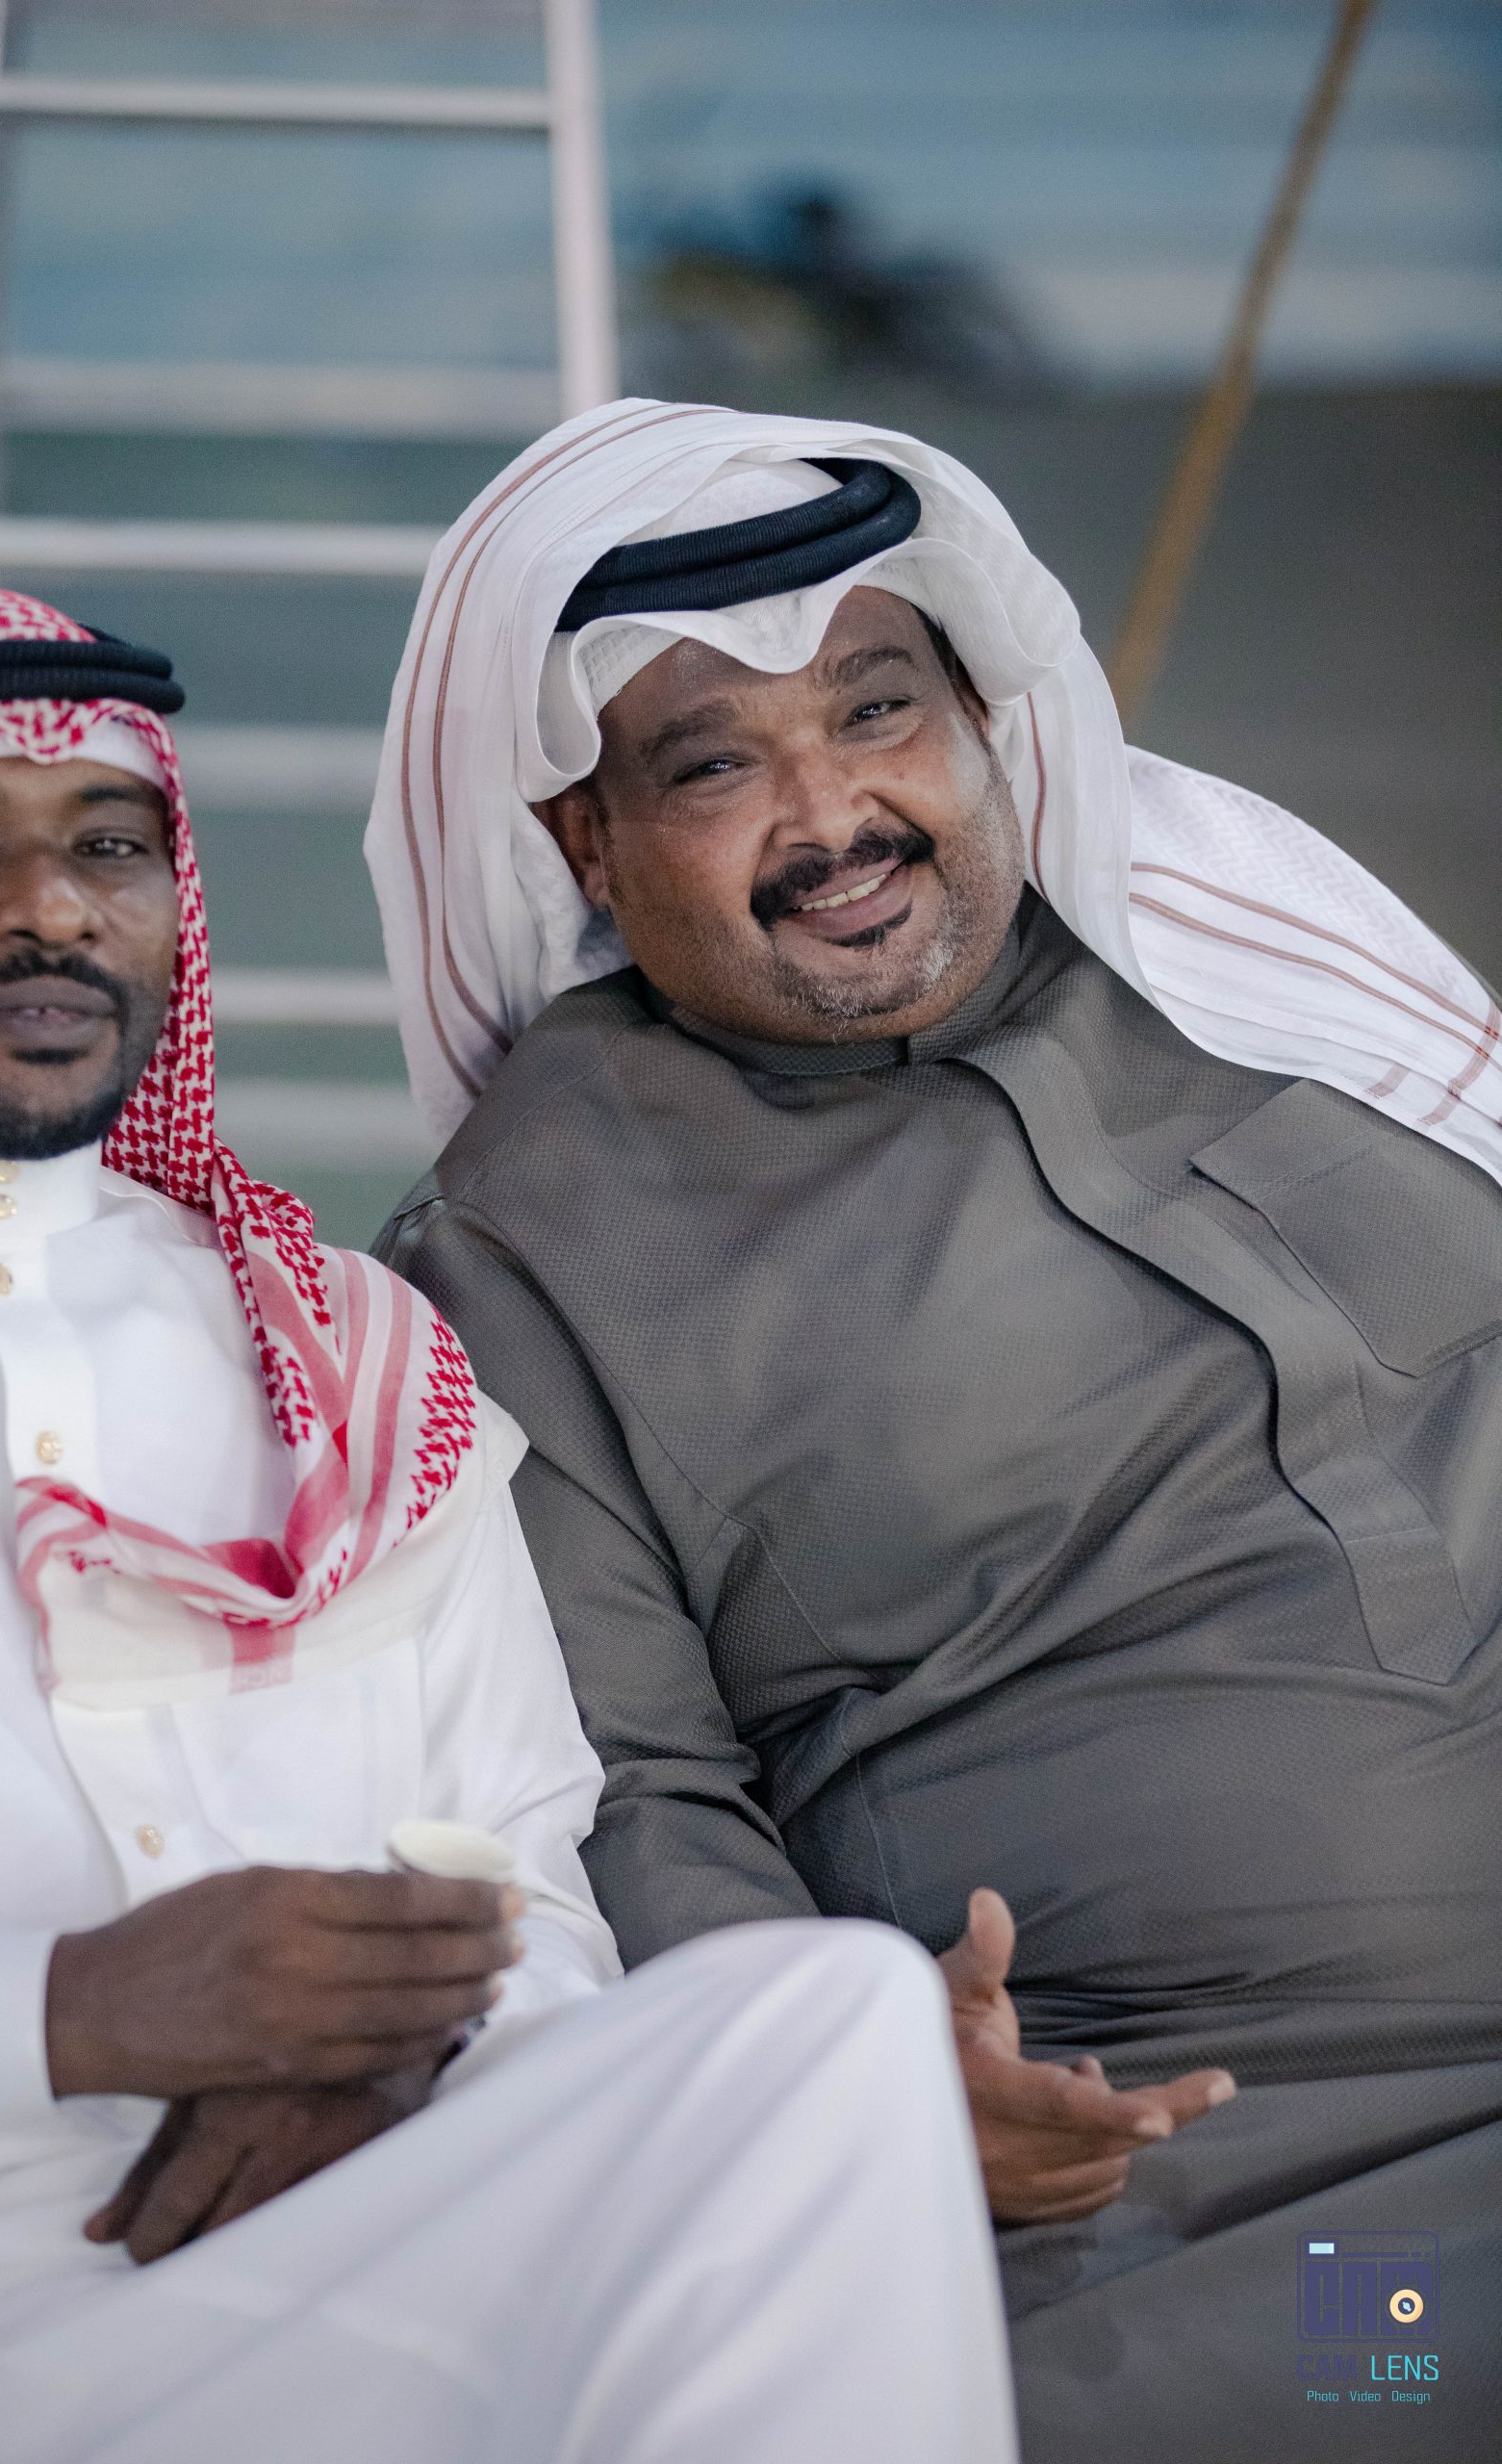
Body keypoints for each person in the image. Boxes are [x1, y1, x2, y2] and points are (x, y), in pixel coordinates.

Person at [367, 403, 1502, 2458]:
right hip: (1257, 2164)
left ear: (983, 717)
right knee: (1388, 2391)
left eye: (876, 710)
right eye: (713, 764)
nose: (835, 814)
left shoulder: (1249, 965)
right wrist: (872, 2085)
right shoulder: (533, 1243)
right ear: (584, 844)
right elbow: (618, 1788)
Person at [0, 584, 1017, 2464]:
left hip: (391, 2221)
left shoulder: (343, 1341)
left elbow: (534, 1879)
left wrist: (409, 2046)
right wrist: (66, 2014)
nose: (50, 908)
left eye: (109, 848)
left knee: (830, 2017)